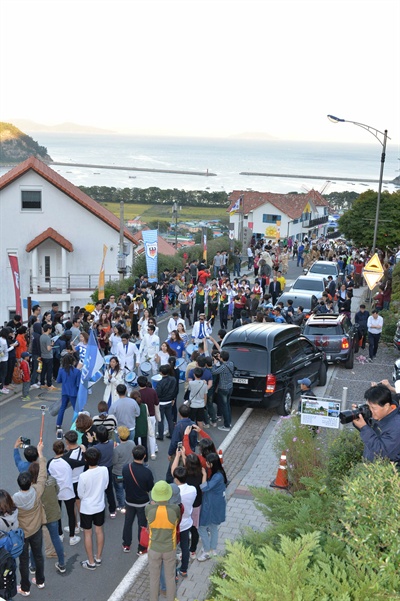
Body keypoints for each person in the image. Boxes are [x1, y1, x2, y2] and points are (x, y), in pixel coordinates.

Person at [13, 441, 46, 595]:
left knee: (24, 561)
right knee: (38, 555)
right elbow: (43, 475)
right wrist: (41, 454)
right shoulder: (37, 490)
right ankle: (40, 580)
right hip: (37, 528)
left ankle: (25, 588)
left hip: (23, 532)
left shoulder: (14, 499)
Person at [28, 462, 66, 575]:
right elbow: (57, 491)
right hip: (52, 514)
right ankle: (62, 564)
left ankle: (33, 566)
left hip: (39, 516)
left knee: (35, 542)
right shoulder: (52, 480)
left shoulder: (32, 487)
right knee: (55, 539)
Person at [145, 480, 181, 601]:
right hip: (169, 548)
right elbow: (177, 520)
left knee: (154, 579)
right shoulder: (174, 509)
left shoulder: (149, 509)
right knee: (170, 578)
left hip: (154, 548)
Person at [77, 447, 109, 570]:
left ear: (86, 460)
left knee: (87, 534)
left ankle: (91, 561)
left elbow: (80, 494)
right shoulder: (104, 470)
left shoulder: (83, 476)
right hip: (100, 506)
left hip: (86, 508)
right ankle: (98, 557)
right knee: (99, 531)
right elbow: (105, 485)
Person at [353, 384, 400, 464]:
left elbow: (382, 453)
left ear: (386, 406)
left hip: (383, 474)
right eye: (368, 407)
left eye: (373, 408)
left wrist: (364, 427)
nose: (370, 411)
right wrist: (359, 418)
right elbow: (372, 435)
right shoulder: (379, 415)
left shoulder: (396, 425)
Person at [121, 445, 154, 554]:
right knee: (142, 525)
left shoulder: (126, 468)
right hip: (143, 502)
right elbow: (150, 487)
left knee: (128, 522)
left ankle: (126, 544)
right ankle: (141, 547)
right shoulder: (147, 472)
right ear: (144, 456)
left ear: (132, 455)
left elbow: (124, 484)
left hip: (129, 500)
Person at [47, 440, 81, 546]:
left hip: (56, 491)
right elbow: (83, 462)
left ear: (54, 450)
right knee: (71, 514)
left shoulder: (50, 462)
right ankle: (72, 536)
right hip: (68, 491)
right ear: (64, 449)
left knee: (58, 514)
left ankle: (60, 534)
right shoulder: (68, 460)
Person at [197, 452, 227, 561]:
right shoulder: (220, 473)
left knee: (202, 527)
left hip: (211, 505)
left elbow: (204, 488)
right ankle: (213, 549)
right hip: (218, 504)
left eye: (207, 462)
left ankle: (207, 551)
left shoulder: (217, 476)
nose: (206, 464)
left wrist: (204, 475)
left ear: (211, 464)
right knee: (214, 527)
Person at [171, 465, 196, 578]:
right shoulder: (193, 489)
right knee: (185, 547)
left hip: (175, 525)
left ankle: (174, 573)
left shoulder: (174, 493)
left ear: (176, 479)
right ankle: (184, 569)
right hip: (186, 523)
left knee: (173, 549)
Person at [112, 426, 135, 512]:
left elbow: (114, 461)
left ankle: (121, 505)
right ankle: (129, 502)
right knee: (128, 488)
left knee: (119, 490)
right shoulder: (132, 443)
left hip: (118, 473)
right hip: (129, 471)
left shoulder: (117, 449)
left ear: (119, 436)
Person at [56, 354, 81, 429]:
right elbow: (78, 384)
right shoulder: (77, 371)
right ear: (73, 362)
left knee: (62, 408)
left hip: (64, 392)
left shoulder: (61, 370)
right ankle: (78, 424)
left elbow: (58, 380)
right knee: (76, 409)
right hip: (73, 392)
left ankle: (58, 424)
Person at [212, 350, 234, 432]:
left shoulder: (223, 367)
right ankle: (229, 422)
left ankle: (226, 425)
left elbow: (214, 372)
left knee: (224, 407)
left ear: (221, 358)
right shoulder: (231, 363)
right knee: (227, 405)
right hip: (230, 387)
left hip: (223, 389)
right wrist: (219, 358)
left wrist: (214, 363)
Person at [155, 365, 178, 441]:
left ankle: (160, 435)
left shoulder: (160, 383)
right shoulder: (173, 379)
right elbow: (175, 390)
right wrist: (173, 398)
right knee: (170, 419)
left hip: (161, 402)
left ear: (161, 373)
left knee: (160, 420)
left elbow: (158, 394)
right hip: (169, 401)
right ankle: (172, 434)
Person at [40, 323, 57, 390]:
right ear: (48, 329)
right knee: (49, 371)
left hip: (42, 355)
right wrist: (52, 344)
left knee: (43, 370)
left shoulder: (41, 336)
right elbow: (48, 348)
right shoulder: (47, 338)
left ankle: (42, 383)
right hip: (48, 356)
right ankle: (49, 384)